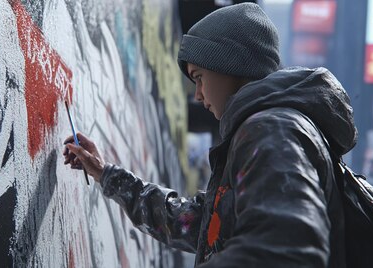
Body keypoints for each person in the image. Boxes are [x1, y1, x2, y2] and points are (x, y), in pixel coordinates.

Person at [63, 3, 356, 267]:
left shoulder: (271, 130)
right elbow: (194, 224)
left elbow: (287, 249)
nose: (198, 96)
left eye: (199, 78)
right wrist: (105, 173)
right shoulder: (267, 129)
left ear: (233, 65)